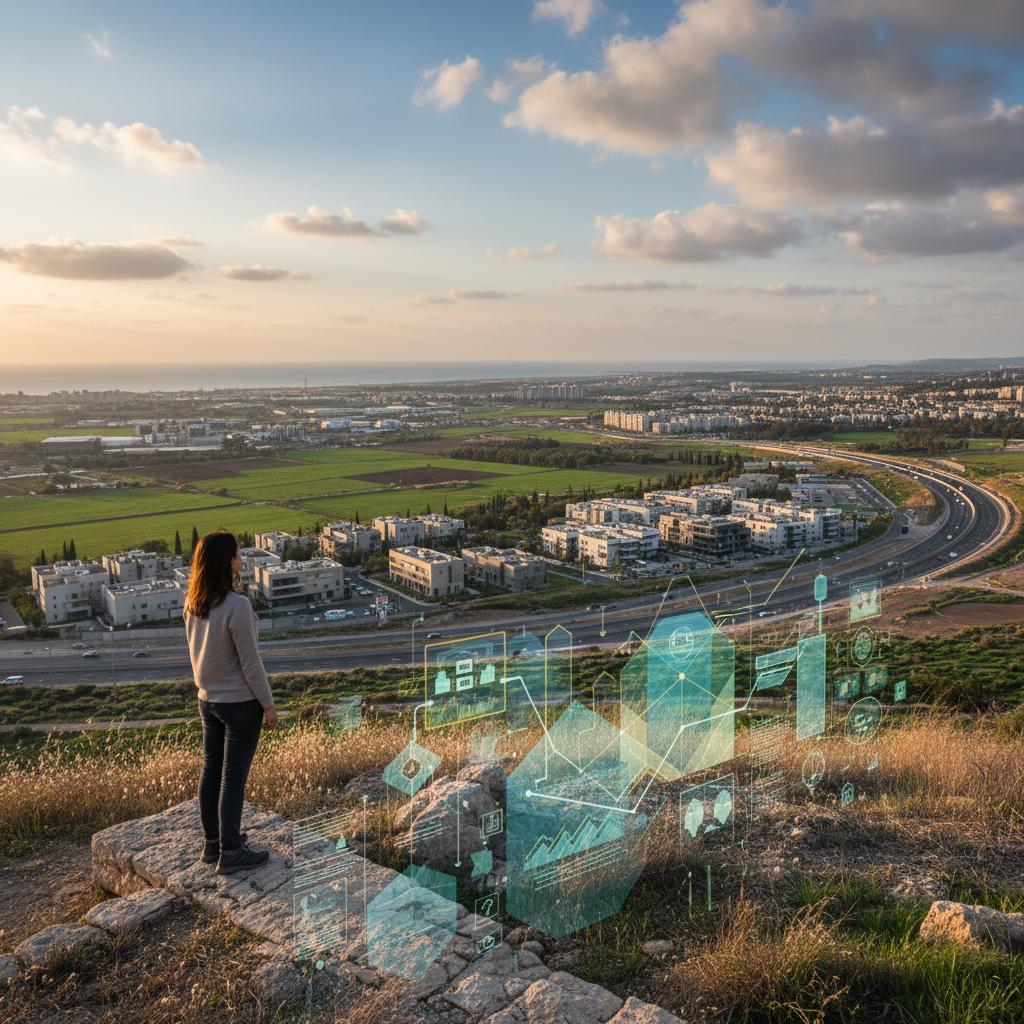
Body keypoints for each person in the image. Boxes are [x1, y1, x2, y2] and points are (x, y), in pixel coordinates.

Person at [184, 530, 278, 874]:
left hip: (207, 700)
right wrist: (268, 705)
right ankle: (232, 851)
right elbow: (251, 663)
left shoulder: (194, 602)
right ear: (227, 562)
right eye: (237, 554)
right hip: (239, 704)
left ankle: (213, 845)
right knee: (232, 779)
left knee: (212, 773)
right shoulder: (237, 606)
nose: (241, 559)